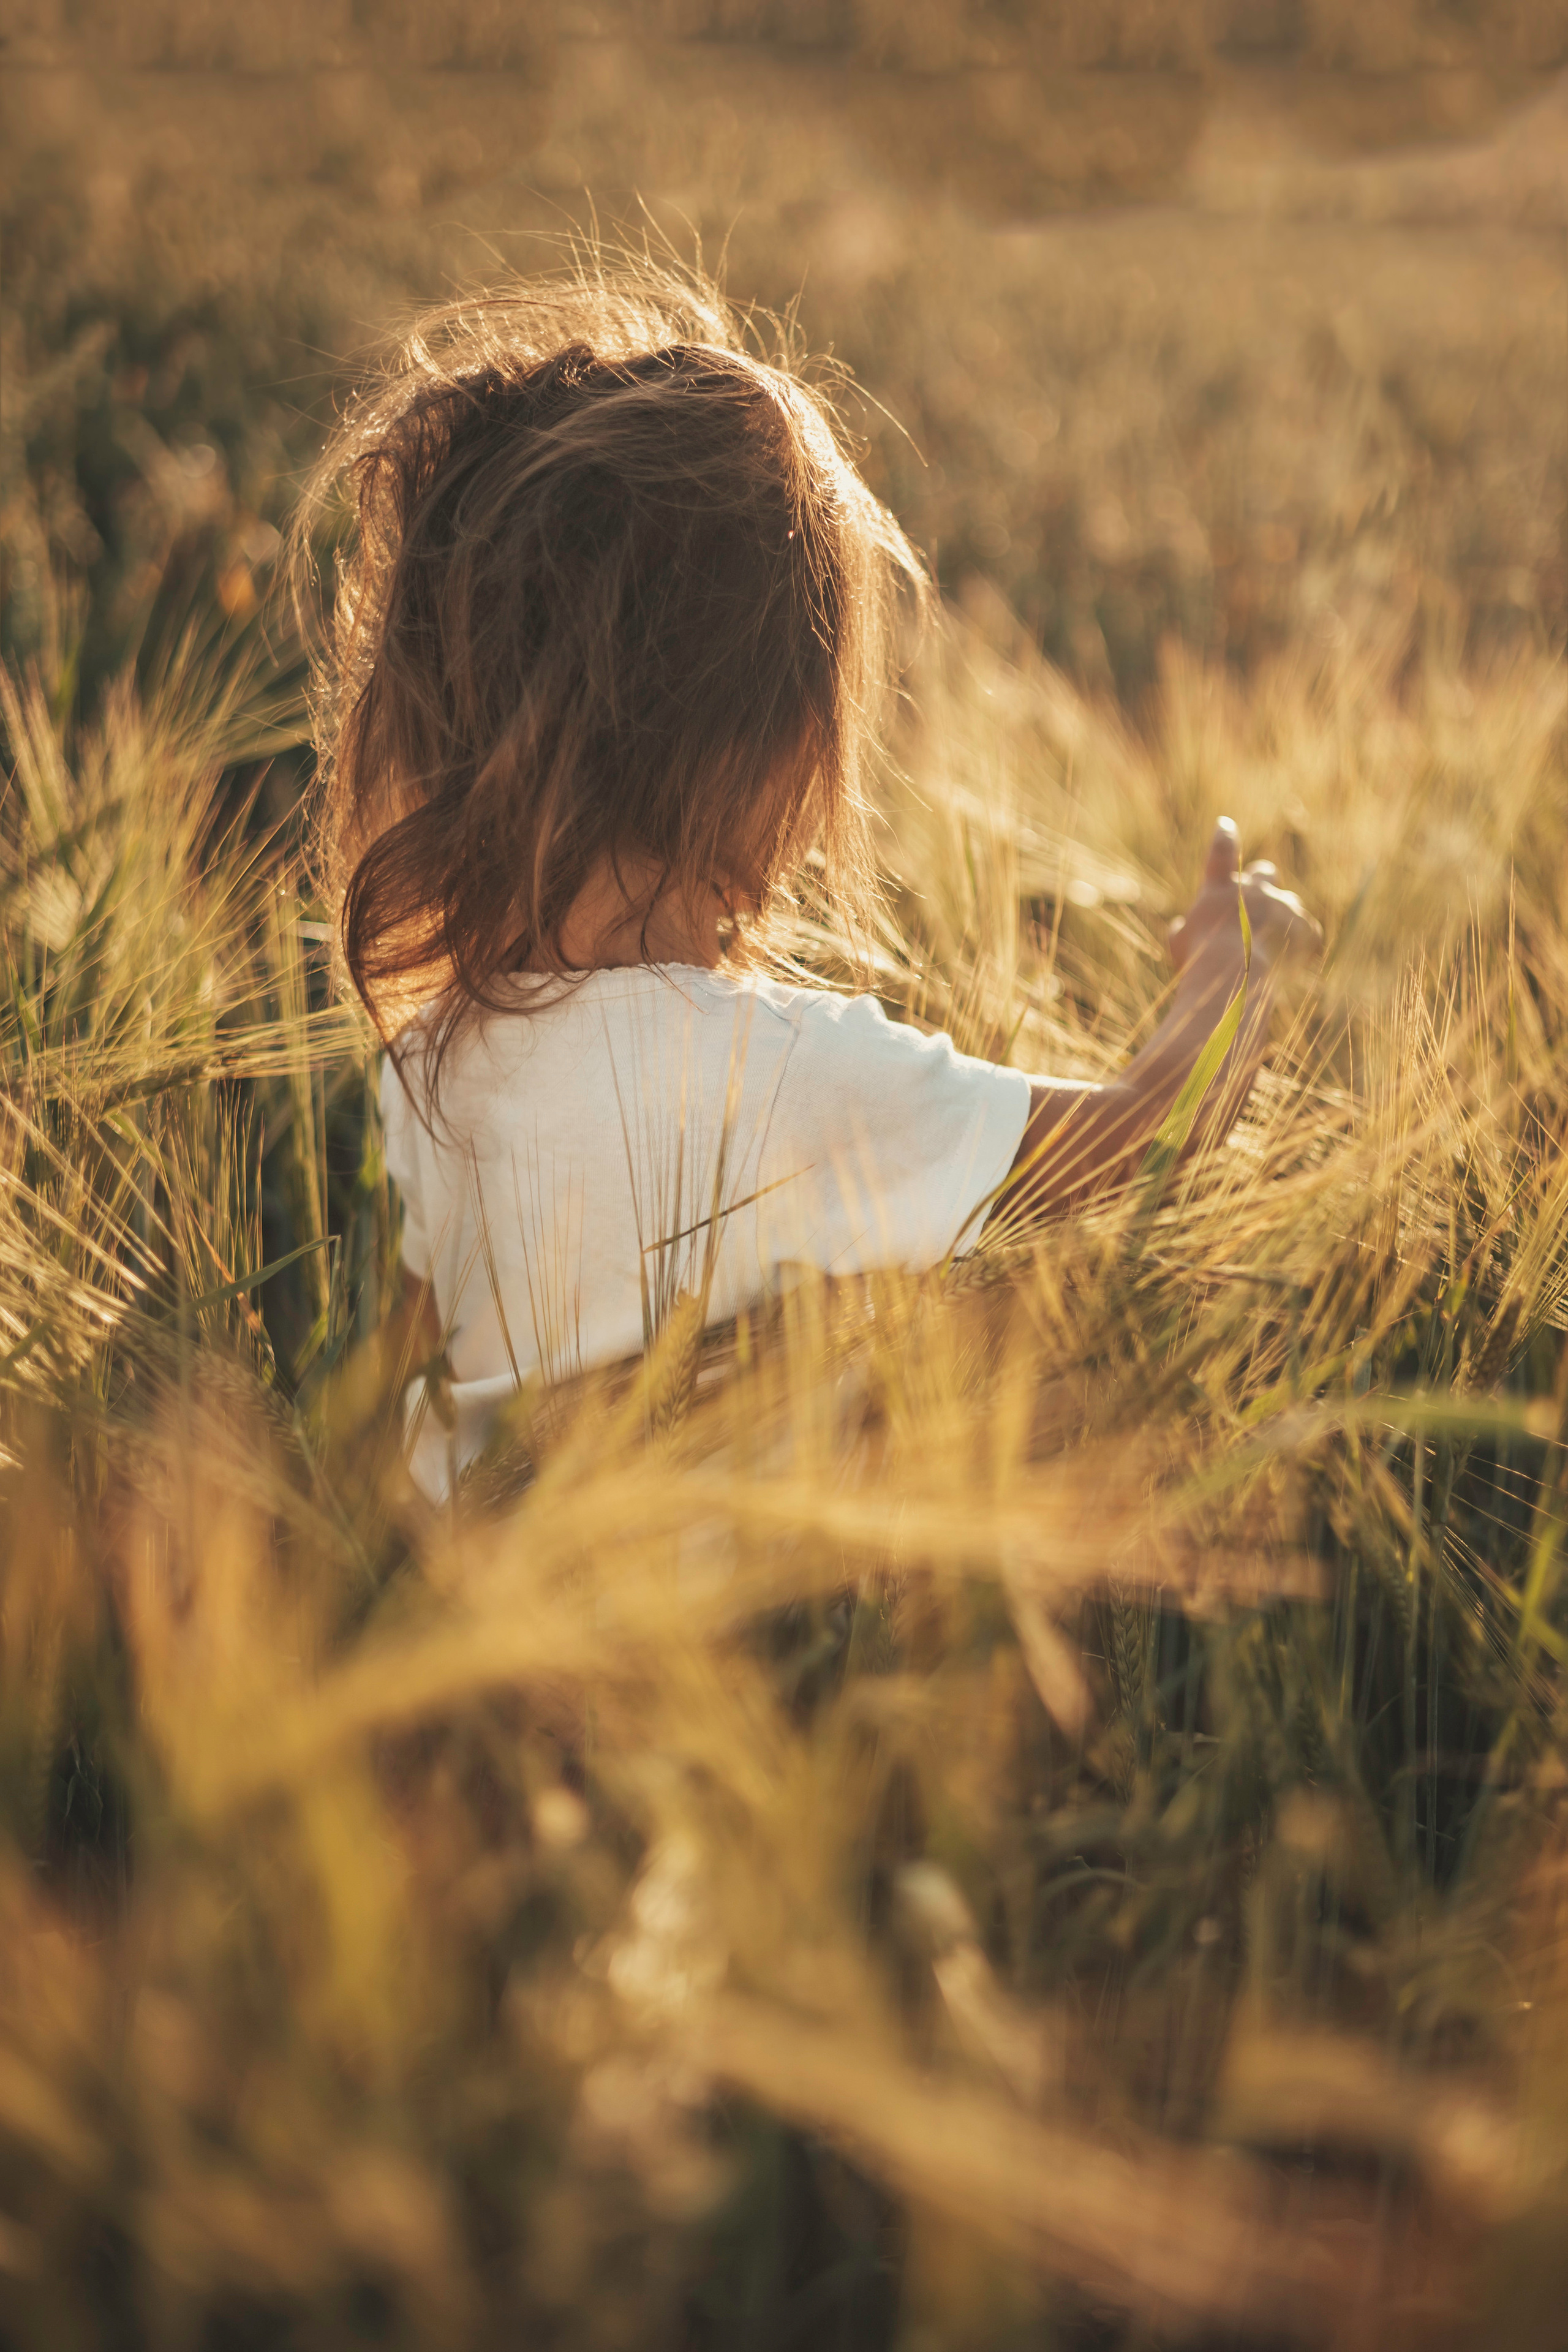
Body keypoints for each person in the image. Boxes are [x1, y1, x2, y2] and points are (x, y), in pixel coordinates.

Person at [295, 262, 1318, 1501]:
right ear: (781, 755)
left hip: (458, 1656)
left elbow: (397, 1403)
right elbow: (1153, 1135)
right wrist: (1234, 972)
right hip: (724, 1675)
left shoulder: (433, 1063)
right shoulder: (783, 1076)